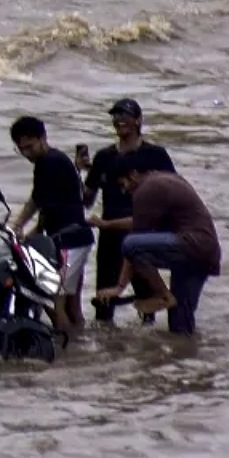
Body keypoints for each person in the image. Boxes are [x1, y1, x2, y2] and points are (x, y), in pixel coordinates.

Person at [93, 154, 222, 336]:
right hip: (206, 252)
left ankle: (162, 295)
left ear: (134, 174)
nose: (125, 191)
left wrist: (119, 287)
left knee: (130, 244)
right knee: (180, 321)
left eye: (124, 185)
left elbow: (134, 244)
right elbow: (139, 222)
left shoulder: (146, 190)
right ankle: (185, 359)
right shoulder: (164, 179)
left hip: (189, 245)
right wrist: (108, 225)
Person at [80, 99, 177, 325]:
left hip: (142, 233)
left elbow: (173, 192)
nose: (119, 120)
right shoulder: (104, 157)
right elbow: (87, 199)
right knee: (104, 298)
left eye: (124, 115)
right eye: (115, 116)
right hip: (109, 235)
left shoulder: (155, 155)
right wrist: (81, 171)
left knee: (147, 298)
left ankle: (147, 347)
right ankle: (106, 346)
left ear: (138, 120)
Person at [8, 116, 93, 337]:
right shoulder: (51, 161)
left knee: (55, 299)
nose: (27, 153)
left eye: (30, 146)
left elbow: (47, 207)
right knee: (71, 302)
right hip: (77, 238)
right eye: (22, 149)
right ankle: (79, 341)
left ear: (43, 138)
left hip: (68, 240)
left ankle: (68, 348)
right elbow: (36, 199)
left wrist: (31, 232)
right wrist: (17, 224)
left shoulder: (50, 162)